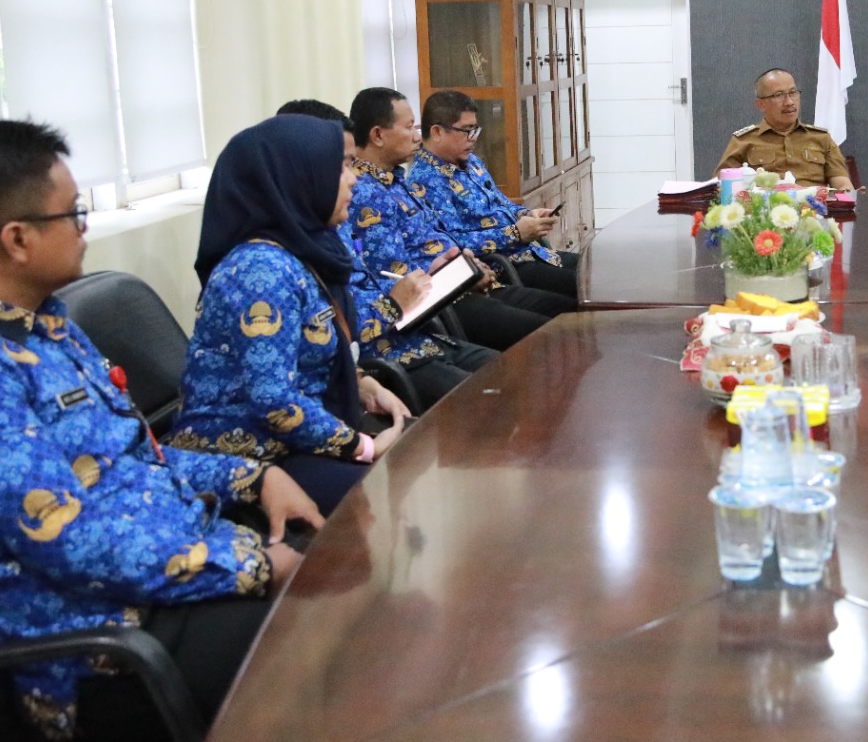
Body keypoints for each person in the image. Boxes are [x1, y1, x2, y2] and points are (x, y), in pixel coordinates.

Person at [0, 120, 321, 741]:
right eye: (72, 213)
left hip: (167, 583)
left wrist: (255, 476)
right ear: (17, 239)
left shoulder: (44, 327)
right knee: (338, 639)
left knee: (350, 587)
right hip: (102, 647)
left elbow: (127, 462)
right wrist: (252, 561)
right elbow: (72, 543)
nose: (84, 227)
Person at [170, 115, 411, 516]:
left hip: (295, 437)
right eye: (340, 167)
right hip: (250, 453)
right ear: (299, 178)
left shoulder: (306, 249)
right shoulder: (260, 269)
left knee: (420, 459)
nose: (353, 180)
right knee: (389, 496)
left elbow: (308, 354)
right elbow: (272, 401)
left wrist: (362, 384)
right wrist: (361, 446)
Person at [277, 98, 499, 412]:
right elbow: (323, 342)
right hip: (383, 360)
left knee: (507, 371)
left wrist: (429, 275)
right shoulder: (274, 258)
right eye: (341, 166)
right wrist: (394, 303)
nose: (353, 177)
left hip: (410, 338)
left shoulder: (331, 226)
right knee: (495, 398)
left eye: (350, 164)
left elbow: (373, 281)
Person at [353, 88, 572, 348]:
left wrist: (525, 216)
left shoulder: (397, 181)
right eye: (410, 127)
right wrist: (469, 268)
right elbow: (399, 273)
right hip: (449, 299)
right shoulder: (376, 192)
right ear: (378, 135)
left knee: (572, 305)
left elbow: (448, 234)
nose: (416, 137)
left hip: (476, 277)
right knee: (555, 332)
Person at [410, 89, 581, 303]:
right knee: (578, 291)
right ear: (437, 132)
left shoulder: (471, 162)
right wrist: (514, 233)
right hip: (500, 267)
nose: (473, 139)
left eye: (475, 130)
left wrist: (527, 214)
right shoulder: (424, 180)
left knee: (592, 271)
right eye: (466, 131)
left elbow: (501, 204)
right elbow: (453, 243)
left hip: (528, 252)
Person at [715, 68, 853, 190]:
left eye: (793, 93)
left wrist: (846, 192)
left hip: (814, 211)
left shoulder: (821, 138)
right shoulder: (743, 141)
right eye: (779, 95)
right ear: (761, 104)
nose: (789, 102)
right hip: (765, 213)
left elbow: (842, 184)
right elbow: (722, 187)